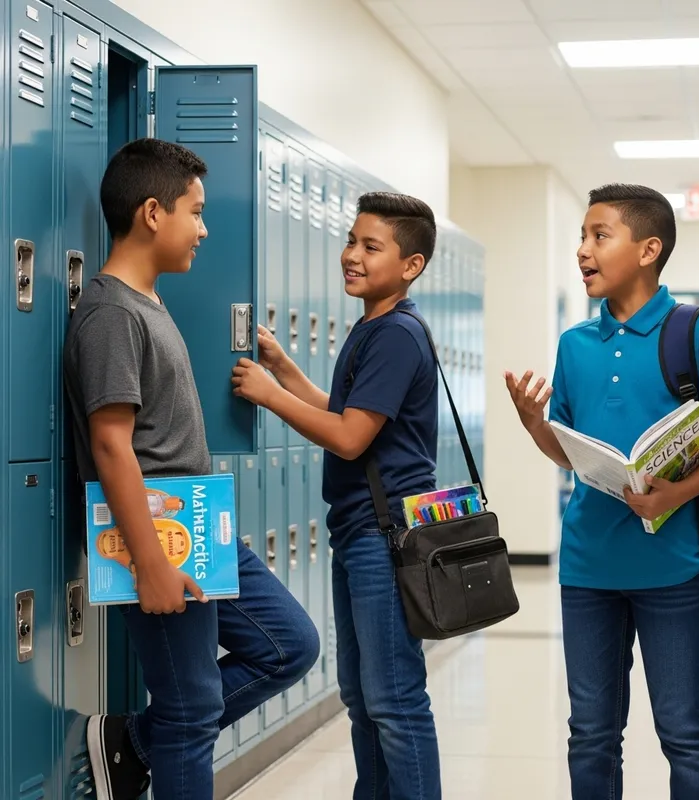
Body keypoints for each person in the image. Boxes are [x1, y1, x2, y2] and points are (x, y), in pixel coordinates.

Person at [62, 138, 319, 800]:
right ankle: (153, 739)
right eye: (196, 212)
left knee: (291, 645)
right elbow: (112, 444)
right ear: (153, 212)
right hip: (157, 535)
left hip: (198, 530)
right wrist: (149, 562)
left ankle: (133, 743)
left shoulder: (145, 302)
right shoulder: (111, 313)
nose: (204, 229)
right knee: (189, 712)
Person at [505, 184, 699, 800]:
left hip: (673, 567)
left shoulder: (694, 332)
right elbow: (569, 452)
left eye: (599, 235)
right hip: (588, 566)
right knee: (590, 732)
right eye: (582, 237)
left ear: (649, 249)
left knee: (686, 731)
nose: (583, 250)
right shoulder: (574, 345)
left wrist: (676, 494)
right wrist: (537, 423)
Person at [231, 191, 442, 799]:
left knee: (395, 699)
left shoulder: (397, 334)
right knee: (363, 697)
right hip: (360, 532)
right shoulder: (372, 327)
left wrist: (271, 395)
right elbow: (347, 411)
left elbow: (350, 438)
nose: (351, 255)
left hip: (385, 537)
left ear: (411, 265)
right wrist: (284, 368)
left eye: (370, 247)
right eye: (351, 241)